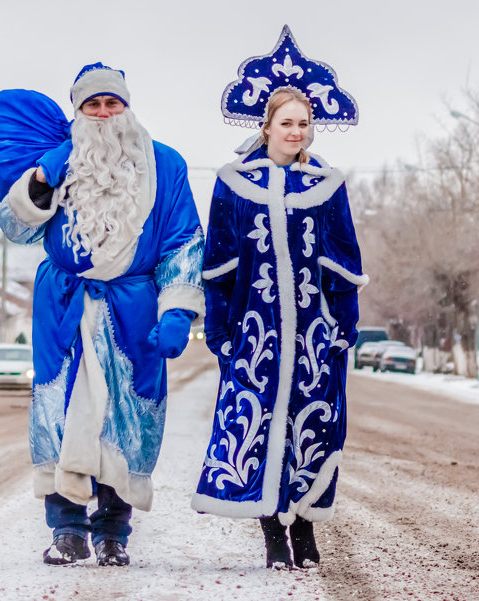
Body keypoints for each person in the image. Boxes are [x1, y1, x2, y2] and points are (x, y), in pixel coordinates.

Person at [0, 63, 205, 567]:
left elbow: (183, 240)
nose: (102, 113)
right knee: (61, 416)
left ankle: (114, 532)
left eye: (111, 103)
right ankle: (67, 531)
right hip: (65, 308)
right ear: (77, 111)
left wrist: (178, 308)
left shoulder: (165, 165)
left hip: (132, 310)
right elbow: (18, 229)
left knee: (124, 421)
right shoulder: (57, 162)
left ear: (127, 107)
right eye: (92, 105)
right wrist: (39, 181)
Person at [192, 26, 366, 569]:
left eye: (304, 123)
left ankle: (307, 531)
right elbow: (218, 267)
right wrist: (220, 332)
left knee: (313, 426)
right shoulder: (232, 183)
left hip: (315, 337)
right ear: (266, 127)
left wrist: (343, 329)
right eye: (287, 123)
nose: (297, 131)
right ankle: (272, 535)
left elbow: (344, 266)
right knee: (261, 426)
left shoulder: (328, 185)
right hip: (256, 334)